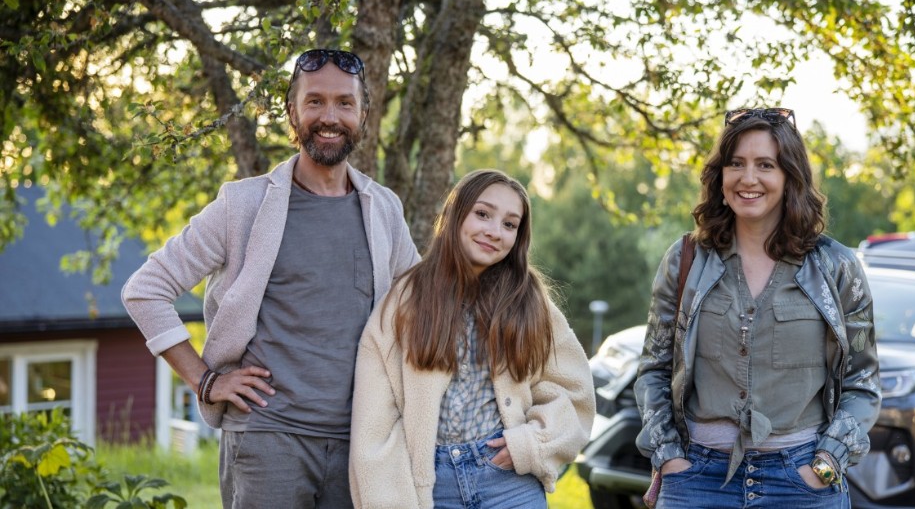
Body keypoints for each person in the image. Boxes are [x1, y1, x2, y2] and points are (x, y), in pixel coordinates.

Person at [121, 48, 420, 509]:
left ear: (364, 113)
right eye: (314, 101)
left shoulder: (384, 209)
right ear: (292, 112)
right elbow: (145, 289)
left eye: (344, 103)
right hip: (266, 439)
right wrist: (205, 381)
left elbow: (423, 310)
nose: (330, 116)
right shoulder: (242, 205)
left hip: (361, 442)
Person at [634, 107, 881, 508]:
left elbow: (862, 381)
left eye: (765, 164)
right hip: (695, 481)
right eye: (736, 164)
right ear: (721, 175)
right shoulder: (686, 261)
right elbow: (653, 370)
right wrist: (670, 457)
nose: (748, 179)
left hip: (801, 484)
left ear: (789, 176)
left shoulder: (835, 266)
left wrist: (825, 465)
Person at [349, 169, 595, 509]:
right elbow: (375, 423)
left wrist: (530, 444)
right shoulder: (405, 300)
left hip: (508, 483)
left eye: (510, 224)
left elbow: (573, 390)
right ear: (455, 214)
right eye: (483, 214)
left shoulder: (530, 301)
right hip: (430, 487)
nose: (494, 232)